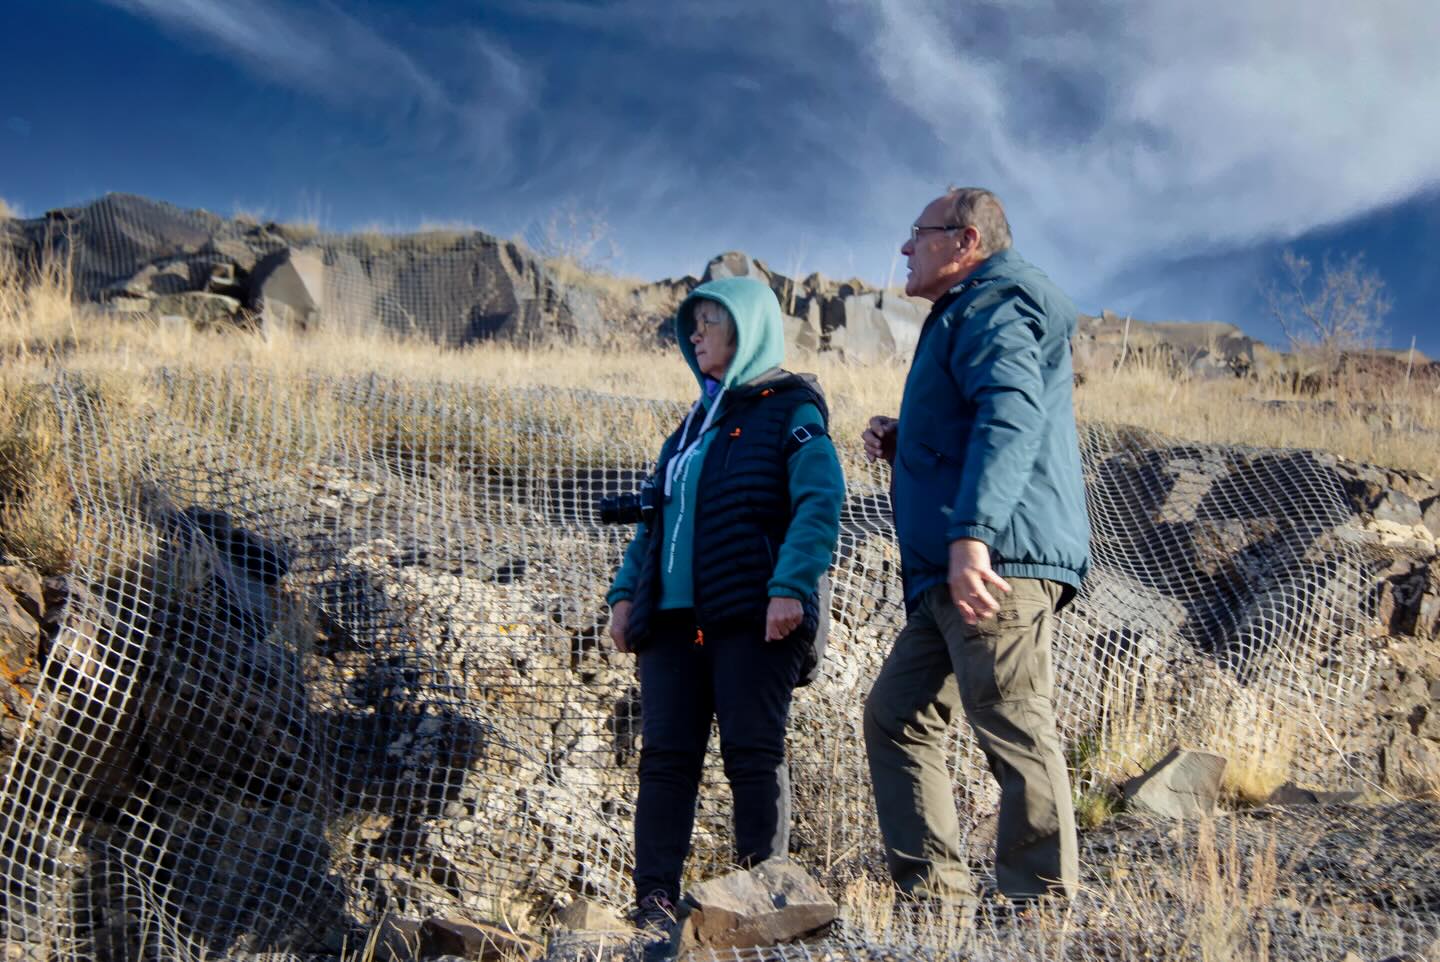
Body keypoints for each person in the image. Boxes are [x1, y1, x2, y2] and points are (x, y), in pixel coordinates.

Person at [860, 187, 1091, 911]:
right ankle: (937, 905)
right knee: (896, 717)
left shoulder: (996, 301)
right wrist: (908, 442)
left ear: (965, 241)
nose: (905, 247)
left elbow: (1012, 413)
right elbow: (980, 416)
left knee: (1014, 721)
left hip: (991, 563)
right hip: (950, 569)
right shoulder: (968, 309)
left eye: (918, 232)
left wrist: (974, 534)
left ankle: (1039, 913)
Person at [606, 276, 845, 936]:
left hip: (751, 614)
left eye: (709, 321)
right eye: (693, 324)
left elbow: (820, 501)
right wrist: (624, 597)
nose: (695, 334)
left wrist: (789, 586)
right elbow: (652, 523)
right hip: (672, 625)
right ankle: (654, 906)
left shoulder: (792, 408)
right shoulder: (689, 427)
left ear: (747, 328)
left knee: (752, 755)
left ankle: (762, 904)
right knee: (665, 762)